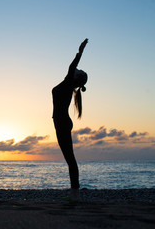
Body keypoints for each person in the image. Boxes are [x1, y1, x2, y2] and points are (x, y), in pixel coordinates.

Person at [52, 38, 88, 199]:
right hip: (61, 122)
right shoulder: (67, 84)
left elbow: (72, 66)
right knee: (69, 157)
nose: (76, 70)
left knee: (70, 158)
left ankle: (75, 190)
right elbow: (72, 68)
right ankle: (75, 189)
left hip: (62, 123)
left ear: (76, 78)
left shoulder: (68, 83)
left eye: (77, 71)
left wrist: (80, 52)